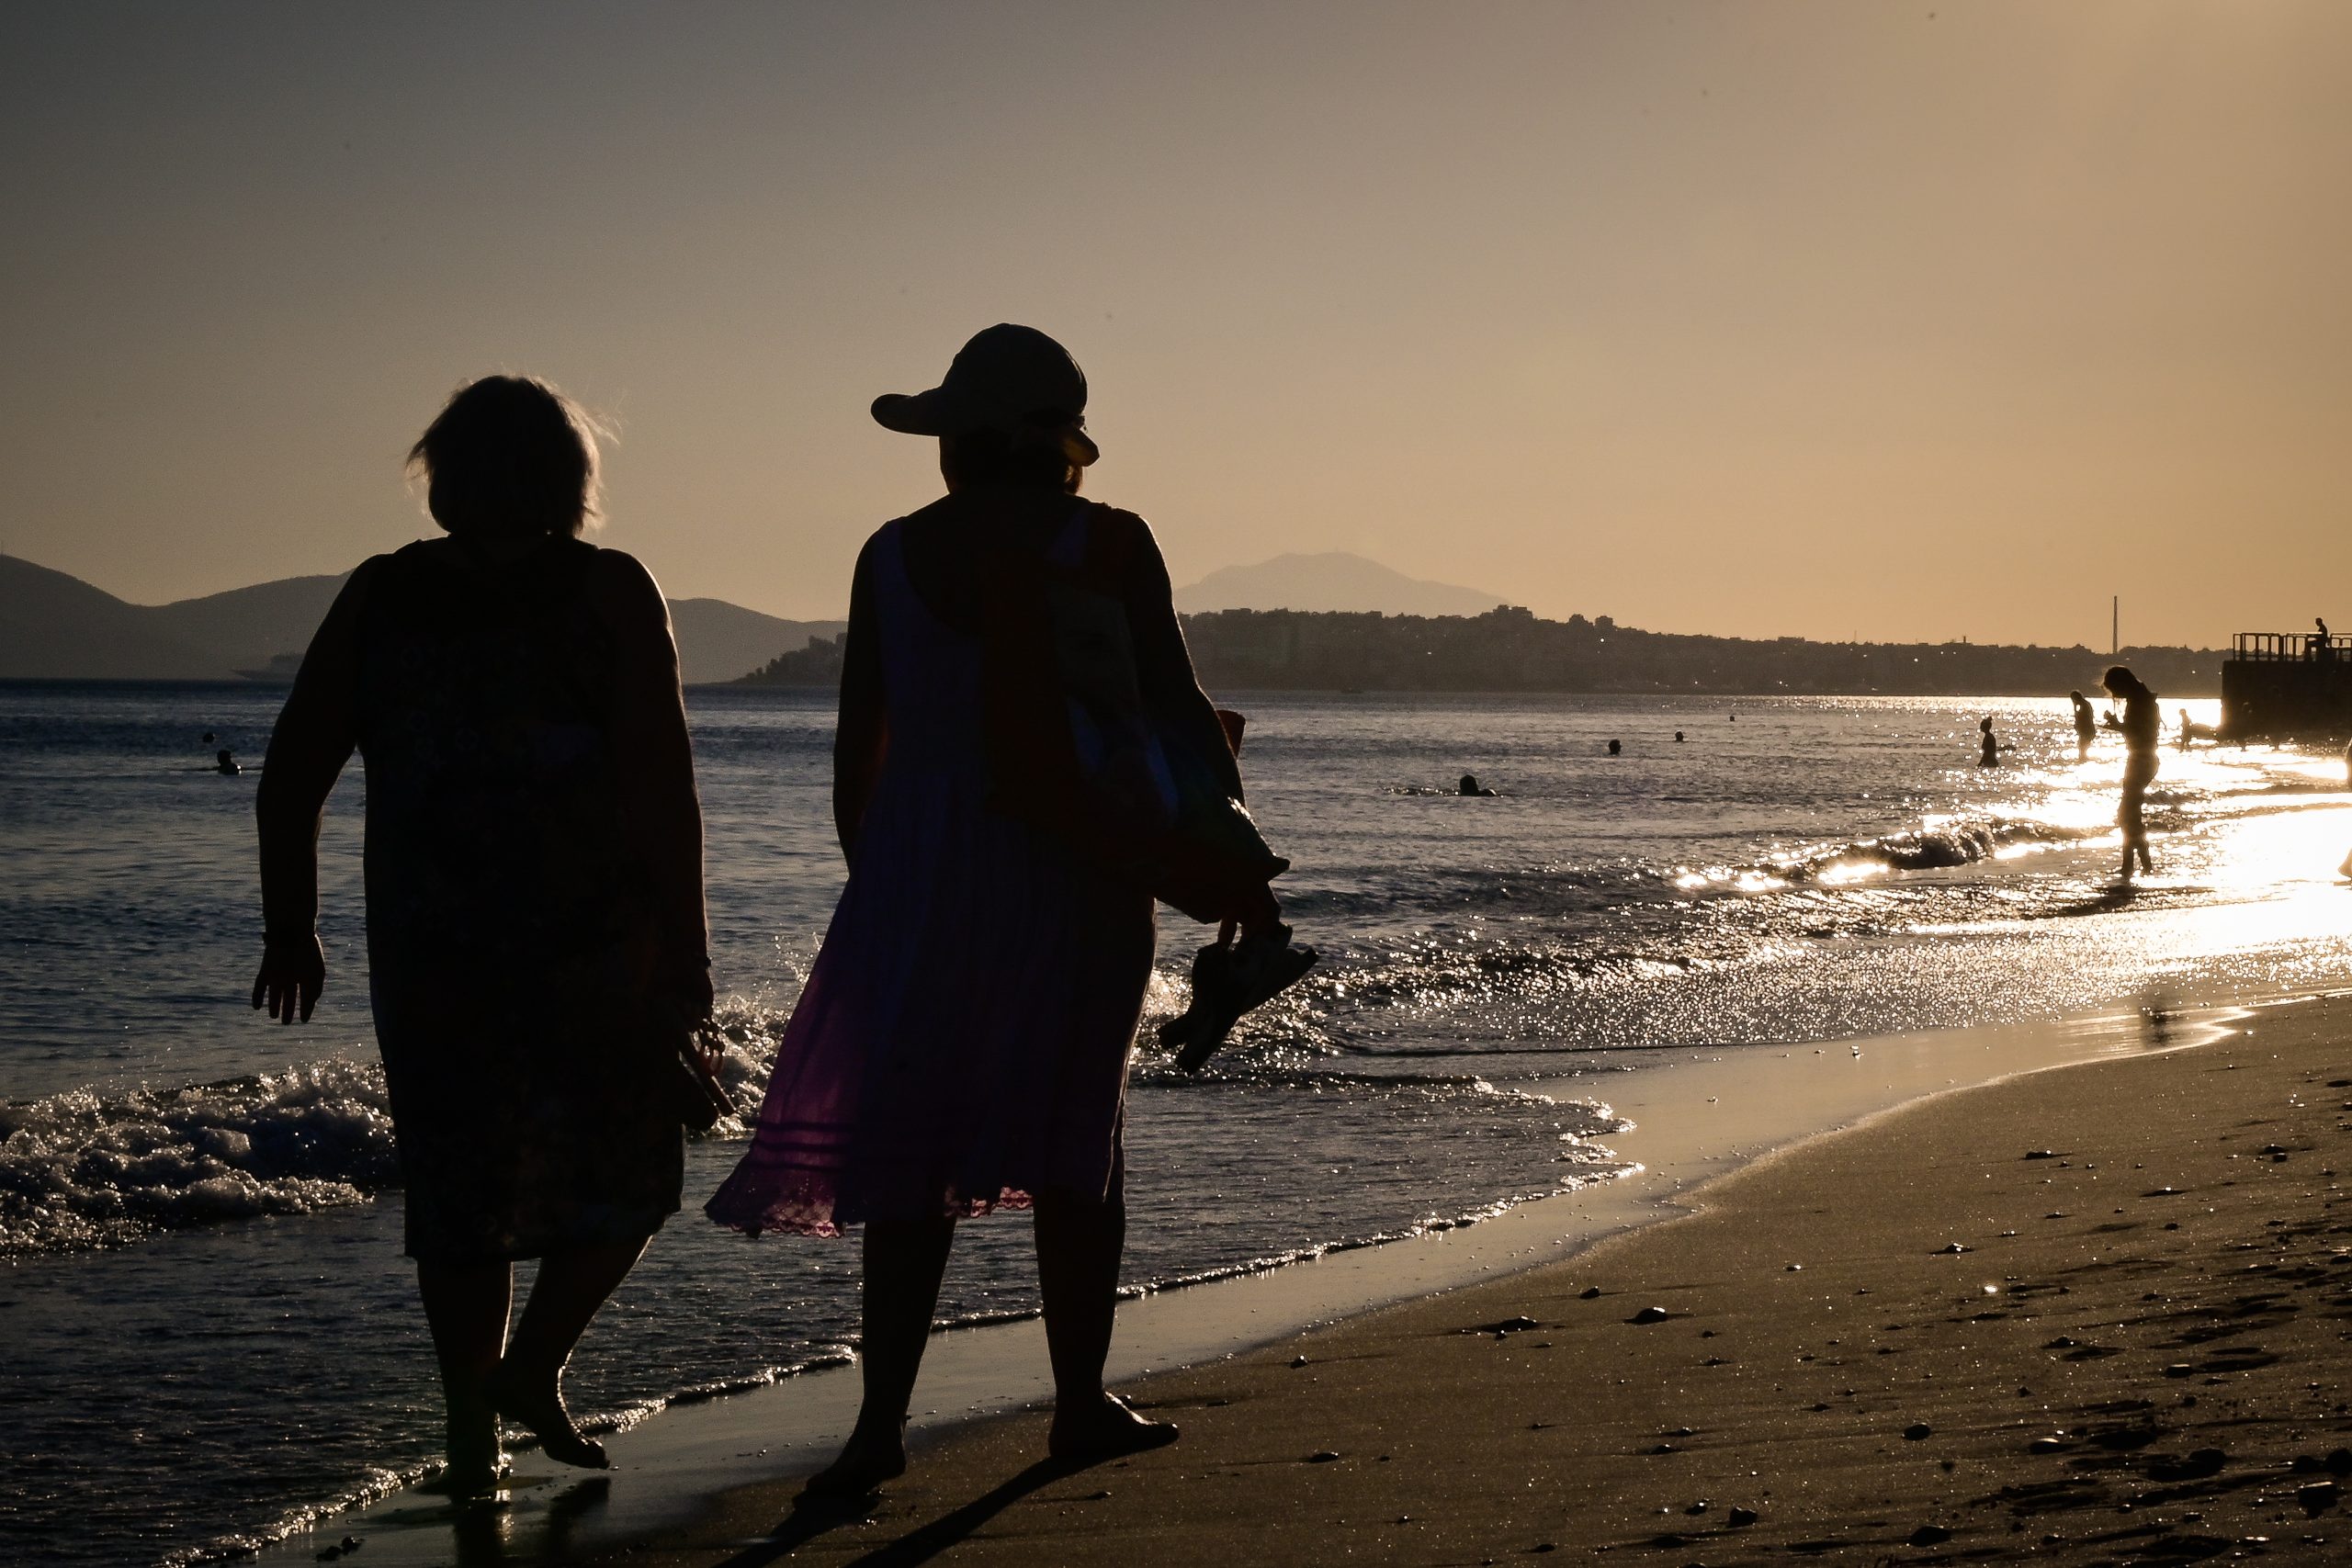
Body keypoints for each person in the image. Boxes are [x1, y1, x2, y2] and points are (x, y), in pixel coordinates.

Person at [707, 325, 1307, 1496]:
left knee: (909, 1151)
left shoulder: (888, 557)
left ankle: (878, 1427)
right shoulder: (1108, 542)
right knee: (1082, 1136)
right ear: (1063, 447)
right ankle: (1077, 1405)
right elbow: (1174, 709)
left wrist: (878, 883)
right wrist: (1229, 857)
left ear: (959, 445)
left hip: (925, 867)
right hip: (1080, 859)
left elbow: (858, 749)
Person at [251, 376, 711, 1493]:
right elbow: (662, 788)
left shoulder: (383, 594)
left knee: (462, 1194)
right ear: (571, 478)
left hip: (433, 946)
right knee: (636, 1168)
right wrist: (687, 946)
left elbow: (290, 779)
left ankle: (476, 1434)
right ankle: (527, 1373)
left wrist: (293, 930)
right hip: (592, 941)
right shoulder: (608, 590)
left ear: (444, 474)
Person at [2100, 664, 2160, 882]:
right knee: (2130, 815)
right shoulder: (2142, 699)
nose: (2114, 695)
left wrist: (2117, 725)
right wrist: (2118, 726)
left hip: (2141, 760)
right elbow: (2141, 730)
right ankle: (2140, 864)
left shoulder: (2140, 702)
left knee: (2127, 814)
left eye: (2114, 689)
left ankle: (2133, 865)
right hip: (2143, 758)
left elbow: (2139, 731)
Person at [2069, 691, 2097, 763]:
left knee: (2082, 746)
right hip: (2086, 730)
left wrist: (2074, 708)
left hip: (2087, 730)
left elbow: (2082, 718)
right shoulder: (2083, 705)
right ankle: (2083, 759)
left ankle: (2083, 759)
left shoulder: (2084, 705)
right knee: (2082, 746)